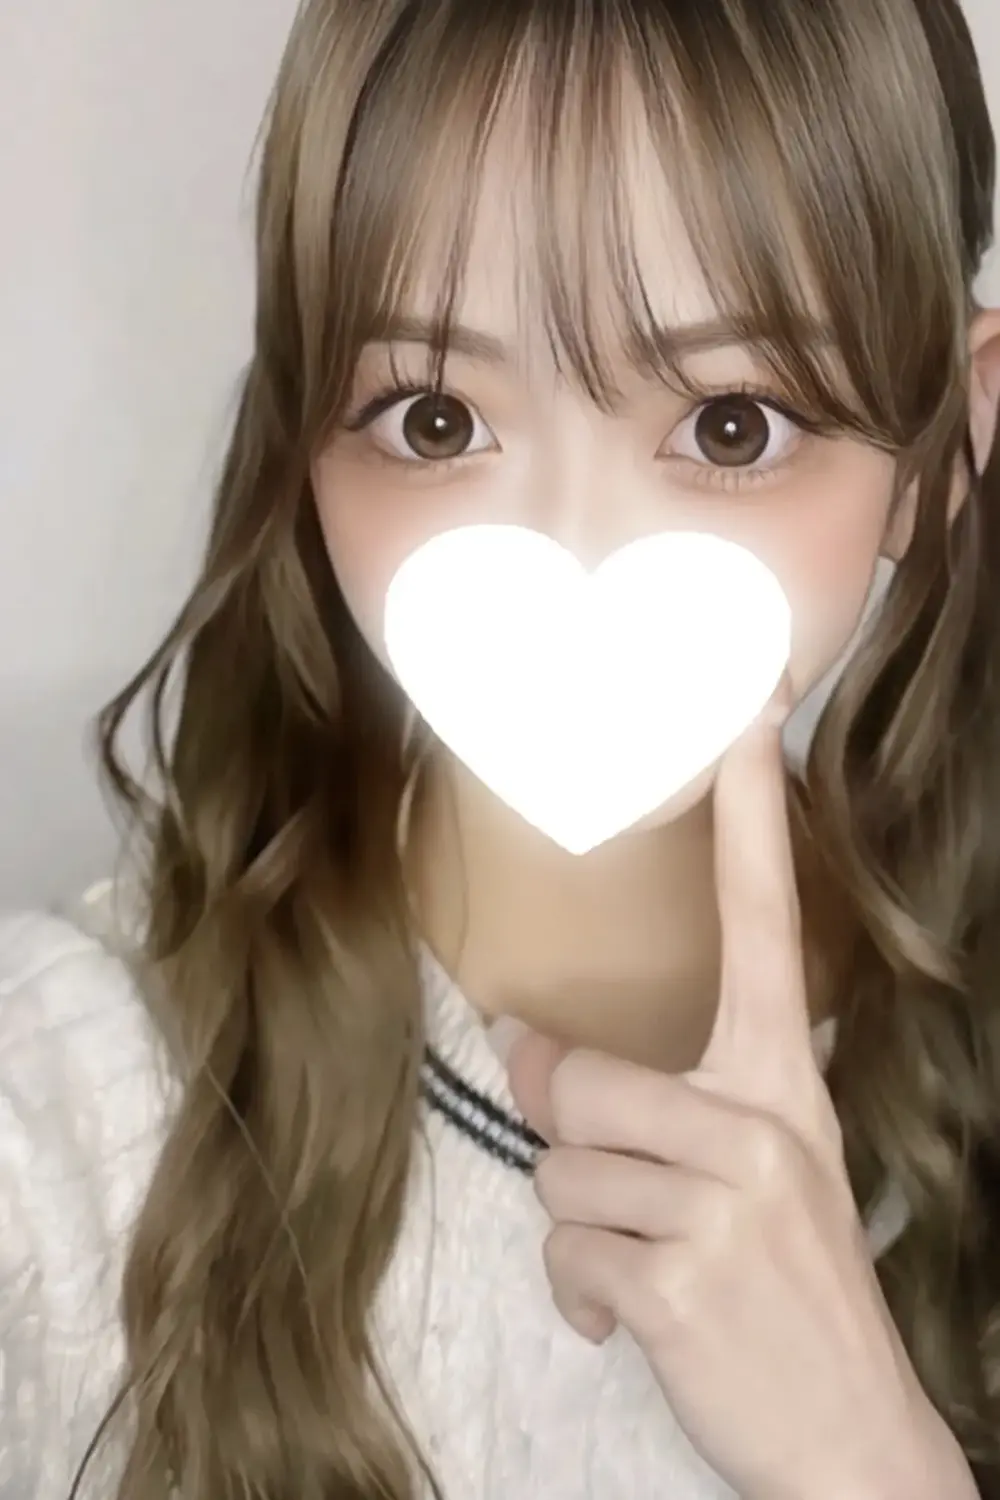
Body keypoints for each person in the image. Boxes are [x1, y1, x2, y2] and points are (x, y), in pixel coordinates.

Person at [4, 0, 1000, 1495]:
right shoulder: (58, 1122)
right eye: (433, 419)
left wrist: (873, 1461)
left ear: (943, 448)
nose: (575, 550)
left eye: (733, 426)